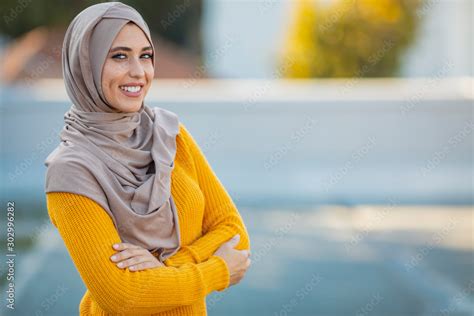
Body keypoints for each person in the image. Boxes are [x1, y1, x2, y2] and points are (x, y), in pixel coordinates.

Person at [44, 2, 251, 315]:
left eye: (145, 55)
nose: (138, 72)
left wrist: (165, 264)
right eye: (119, 56)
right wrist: (218, 270)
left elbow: (235, 235)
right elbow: (124, 297)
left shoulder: (169, 133)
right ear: (85, 63)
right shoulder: (70, 172)